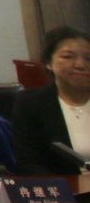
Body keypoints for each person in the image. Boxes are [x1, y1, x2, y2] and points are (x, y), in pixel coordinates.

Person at [10, 26, 90, 174]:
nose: (80, 65)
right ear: (48, 62)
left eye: (88, 58)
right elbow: (28, 163)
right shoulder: (30, 103)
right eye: (68, 57)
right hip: (62, 187)